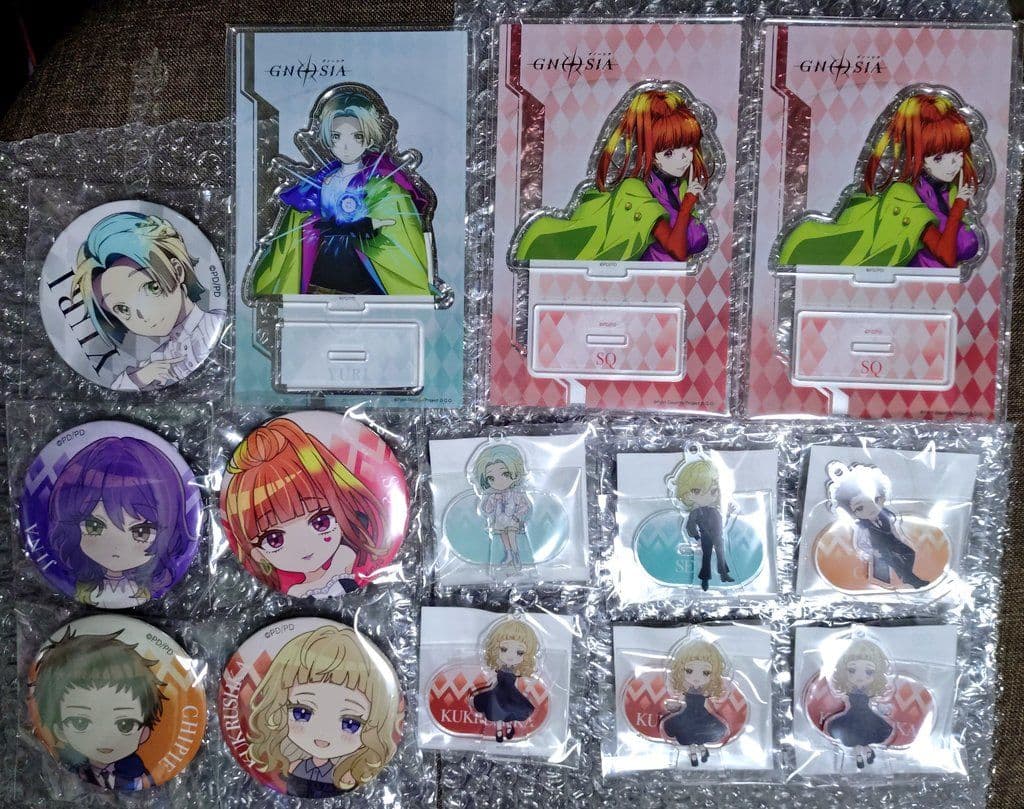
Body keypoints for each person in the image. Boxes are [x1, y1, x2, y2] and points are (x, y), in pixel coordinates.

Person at [251, 85, 434, 296]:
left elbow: (398, 235)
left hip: (366, 282)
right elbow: (295, 234)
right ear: (327, 139)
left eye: (357, 136)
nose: (346, 146)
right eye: (336, 136)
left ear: (369, 138)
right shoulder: (318, 185)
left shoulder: (384, 187)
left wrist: (370, 225)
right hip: (321, 279)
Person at [778, 92, 983, 269]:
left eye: (958, 153)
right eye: (938, 158)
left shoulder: (947, 193)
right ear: (917, 158)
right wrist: (959, 207)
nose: (953, 164)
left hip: (941, 293)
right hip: (910, 288)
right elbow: (946, 256)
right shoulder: (908, 197)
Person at [514, 85, 712, 263]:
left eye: (689, 147)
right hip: (645, 283)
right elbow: (677, 251)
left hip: (680, 286)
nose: (684, 158)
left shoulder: (680, 188)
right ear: (651, 156)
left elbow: (693, 245)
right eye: (669, 153)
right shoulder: (636, 190)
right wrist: (686, 207)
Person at [220, 417, 386, 597]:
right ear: (257, 553)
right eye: (274, 540)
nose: (303, 547)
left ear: (342, 510)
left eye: (320, 522)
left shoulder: (345, 557)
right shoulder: (297, 588)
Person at [74, 212, 223, 390]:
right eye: (122, 308)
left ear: (177, 271)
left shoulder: (216, 324)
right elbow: (120, 388)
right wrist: (142, 376)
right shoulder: (157, 359)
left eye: (152, 287)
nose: (142, 314)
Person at [247, 625, 401, 796]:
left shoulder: (348, 776)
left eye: (350, 723)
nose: (324, 732)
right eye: (302, 713)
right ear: (278, 706)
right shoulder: (292, 767)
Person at [46, 436, 197, 607]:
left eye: (141, 532)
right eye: (94, 526)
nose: (116, 547)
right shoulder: (84, 588)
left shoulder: (141, 590)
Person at [33, 628, 167, 791]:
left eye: (125, 724)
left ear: (144, 733)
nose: (102, 735)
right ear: (60, 731)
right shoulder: (68, 766)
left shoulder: (138, 774)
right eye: (80, 722)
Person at [827, 461, 930, 589]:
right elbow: (861, 543)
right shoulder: (862, 527)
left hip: (893, 542)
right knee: (895, 561)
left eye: (875, 500)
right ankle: (912, 580)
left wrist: (899, 538)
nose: (871, 509)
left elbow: (893, 529)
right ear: (851, 512)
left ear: (883, 498)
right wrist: (872, 552)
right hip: (880, 550)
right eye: (860, 508)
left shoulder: (886, 516)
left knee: (910, 553)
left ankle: (905, 576)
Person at [823, 639, 894, 769]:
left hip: (868, 718)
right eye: (852, 670)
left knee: (864, 740)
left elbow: (876, 702)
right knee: (855, 741)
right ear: (843, 671)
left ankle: (868, 753)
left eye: (869, 671)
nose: (860, 676)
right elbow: (842, 697)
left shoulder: (870, 692)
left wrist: (883, 708)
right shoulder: (849, 691)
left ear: (878, 673)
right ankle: (859, 757)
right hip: (852, 718)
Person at [661, 640, 729, 767]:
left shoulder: (705, 691)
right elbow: (679, 700)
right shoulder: (686, 690)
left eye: (706, 672)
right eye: (689, 670)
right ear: (681, 669)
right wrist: (674, 705)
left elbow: (711, 699)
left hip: (701, 714)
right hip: (687, 714)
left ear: (713, 673)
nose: (696, 677)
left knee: (700, 733)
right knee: (688, 734)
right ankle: (693, 755)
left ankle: (703, 751)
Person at [671, 456, 733, 591]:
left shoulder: (715, 511)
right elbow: (690, 526)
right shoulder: (696, 512)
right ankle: (704, 580)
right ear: (688, 494)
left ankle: (724, 574)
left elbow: (722, 523)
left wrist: (728, 514)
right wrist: (697, 537)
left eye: (714, 490)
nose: (710, 495)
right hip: (706, 537)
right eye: (697, 491)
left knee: (721, 555)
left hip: (718, 536)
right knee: (706, 558)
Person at [471, 620, 539, 742]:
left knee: (510, 711)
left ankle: (509, 728)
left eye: (519, 652)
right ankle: (498, 731)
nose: (510, 656)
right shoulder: (499, 668)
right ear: (496, 648)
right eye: (504, 649)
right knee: (497, 712)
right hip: (498, 692)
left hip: (511, 693)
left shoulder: (516, 671)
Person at [472, 444, 532, 568]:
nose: (499, 482)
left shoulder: (515, 495)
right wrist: (492, 501)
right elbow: (486, 510)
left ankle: (516, 556)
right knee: (504, 537)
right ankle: (508, 554)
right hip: (499, 521)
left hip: (511, 520)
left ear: (515, 473)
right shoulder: (493, 496)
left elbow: (524, 506)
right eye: (491, 478)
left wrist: (517, 516)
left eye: (505, 474)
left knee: (511, 536)